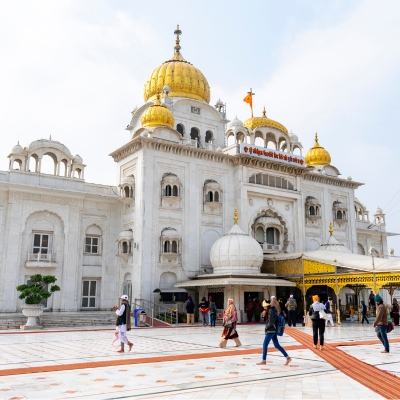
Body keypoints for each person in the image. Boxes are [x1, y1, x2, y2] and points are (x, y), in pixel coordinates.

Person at [256, 300, 291, 366]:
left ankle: (263, 360)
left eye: (264, 306)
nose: (263, 307)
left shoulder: (271, 311)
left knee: (265, 344)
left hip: (270, 330)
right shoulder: (271, 310)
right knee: (276, 345)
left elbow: (271, 321)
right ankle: (288, 358)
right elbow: (263, 317)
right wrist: (263, 315)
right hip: (273, 330)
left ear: (266, 306)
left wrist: (266, 327)